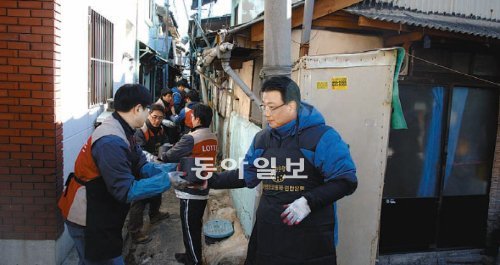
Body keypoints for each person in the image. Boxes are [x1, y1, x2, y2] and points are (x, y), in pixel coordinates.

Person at [203, 76, 358, 265]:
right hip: (269, 231)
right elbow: (247, 174)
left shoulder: (323, 137)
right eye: (264, 106)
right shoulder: (262, 139)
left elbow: (346, 181)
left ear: (291, 106)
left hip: (308, 236)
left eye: (272, 107)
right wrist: (210, 179)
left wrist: (308, 202)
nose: (266, 113)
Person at [58, 84, 177, 264]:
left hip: (102, 209)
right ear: (138, 109)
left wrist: (172, 168)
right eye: (148, 110)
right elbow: (126, 190)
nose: (149, 115)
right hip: (88, 217)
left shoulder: (125, 130)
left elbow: (141, 164)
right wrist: (167, 180)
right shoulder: (110, 141)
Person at [160, 104, 218, 265]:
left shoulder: (191, 138)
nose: (190, 119)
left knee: (189, 227)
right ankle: (190, 254)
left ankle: (194, 260)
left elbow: (170, 156)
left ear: (197, 119)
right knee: (194, 224)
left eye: (192, 116)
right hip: (204, 184)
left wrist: (163, 152)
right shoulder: (212, 137)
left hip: (190, 189)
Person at [127, 103, 171, 244]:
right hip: (140, 167)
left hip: (154, 165)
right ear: (149, 115)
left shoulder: (161, 129)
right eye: (154, 117)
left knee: (157, 190)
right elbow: (140, 152)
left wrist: (165, 152)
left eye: (160, 118)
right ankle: (135, 232)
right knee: (139, 199)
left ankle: (155, 214)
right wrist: (156, 161)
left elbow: (166, 142)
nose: (157, 120)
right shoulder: (141, 131)